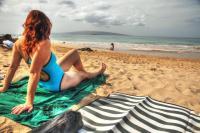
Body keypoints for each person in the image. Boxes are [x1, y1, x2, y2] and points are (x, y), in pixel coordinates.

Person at [0, 10, 106, 115]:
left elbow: (12, 67)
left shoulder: (18, 43)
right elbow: (33, 73)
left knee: (74, 53)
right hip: (57, 83)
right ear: (44, 27)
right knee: (82, 74)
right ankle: (96, 72)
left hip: (50, 75)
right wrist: (29, 102)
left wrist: (5, 87)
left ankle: (82, 73)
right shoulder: (43, 43)